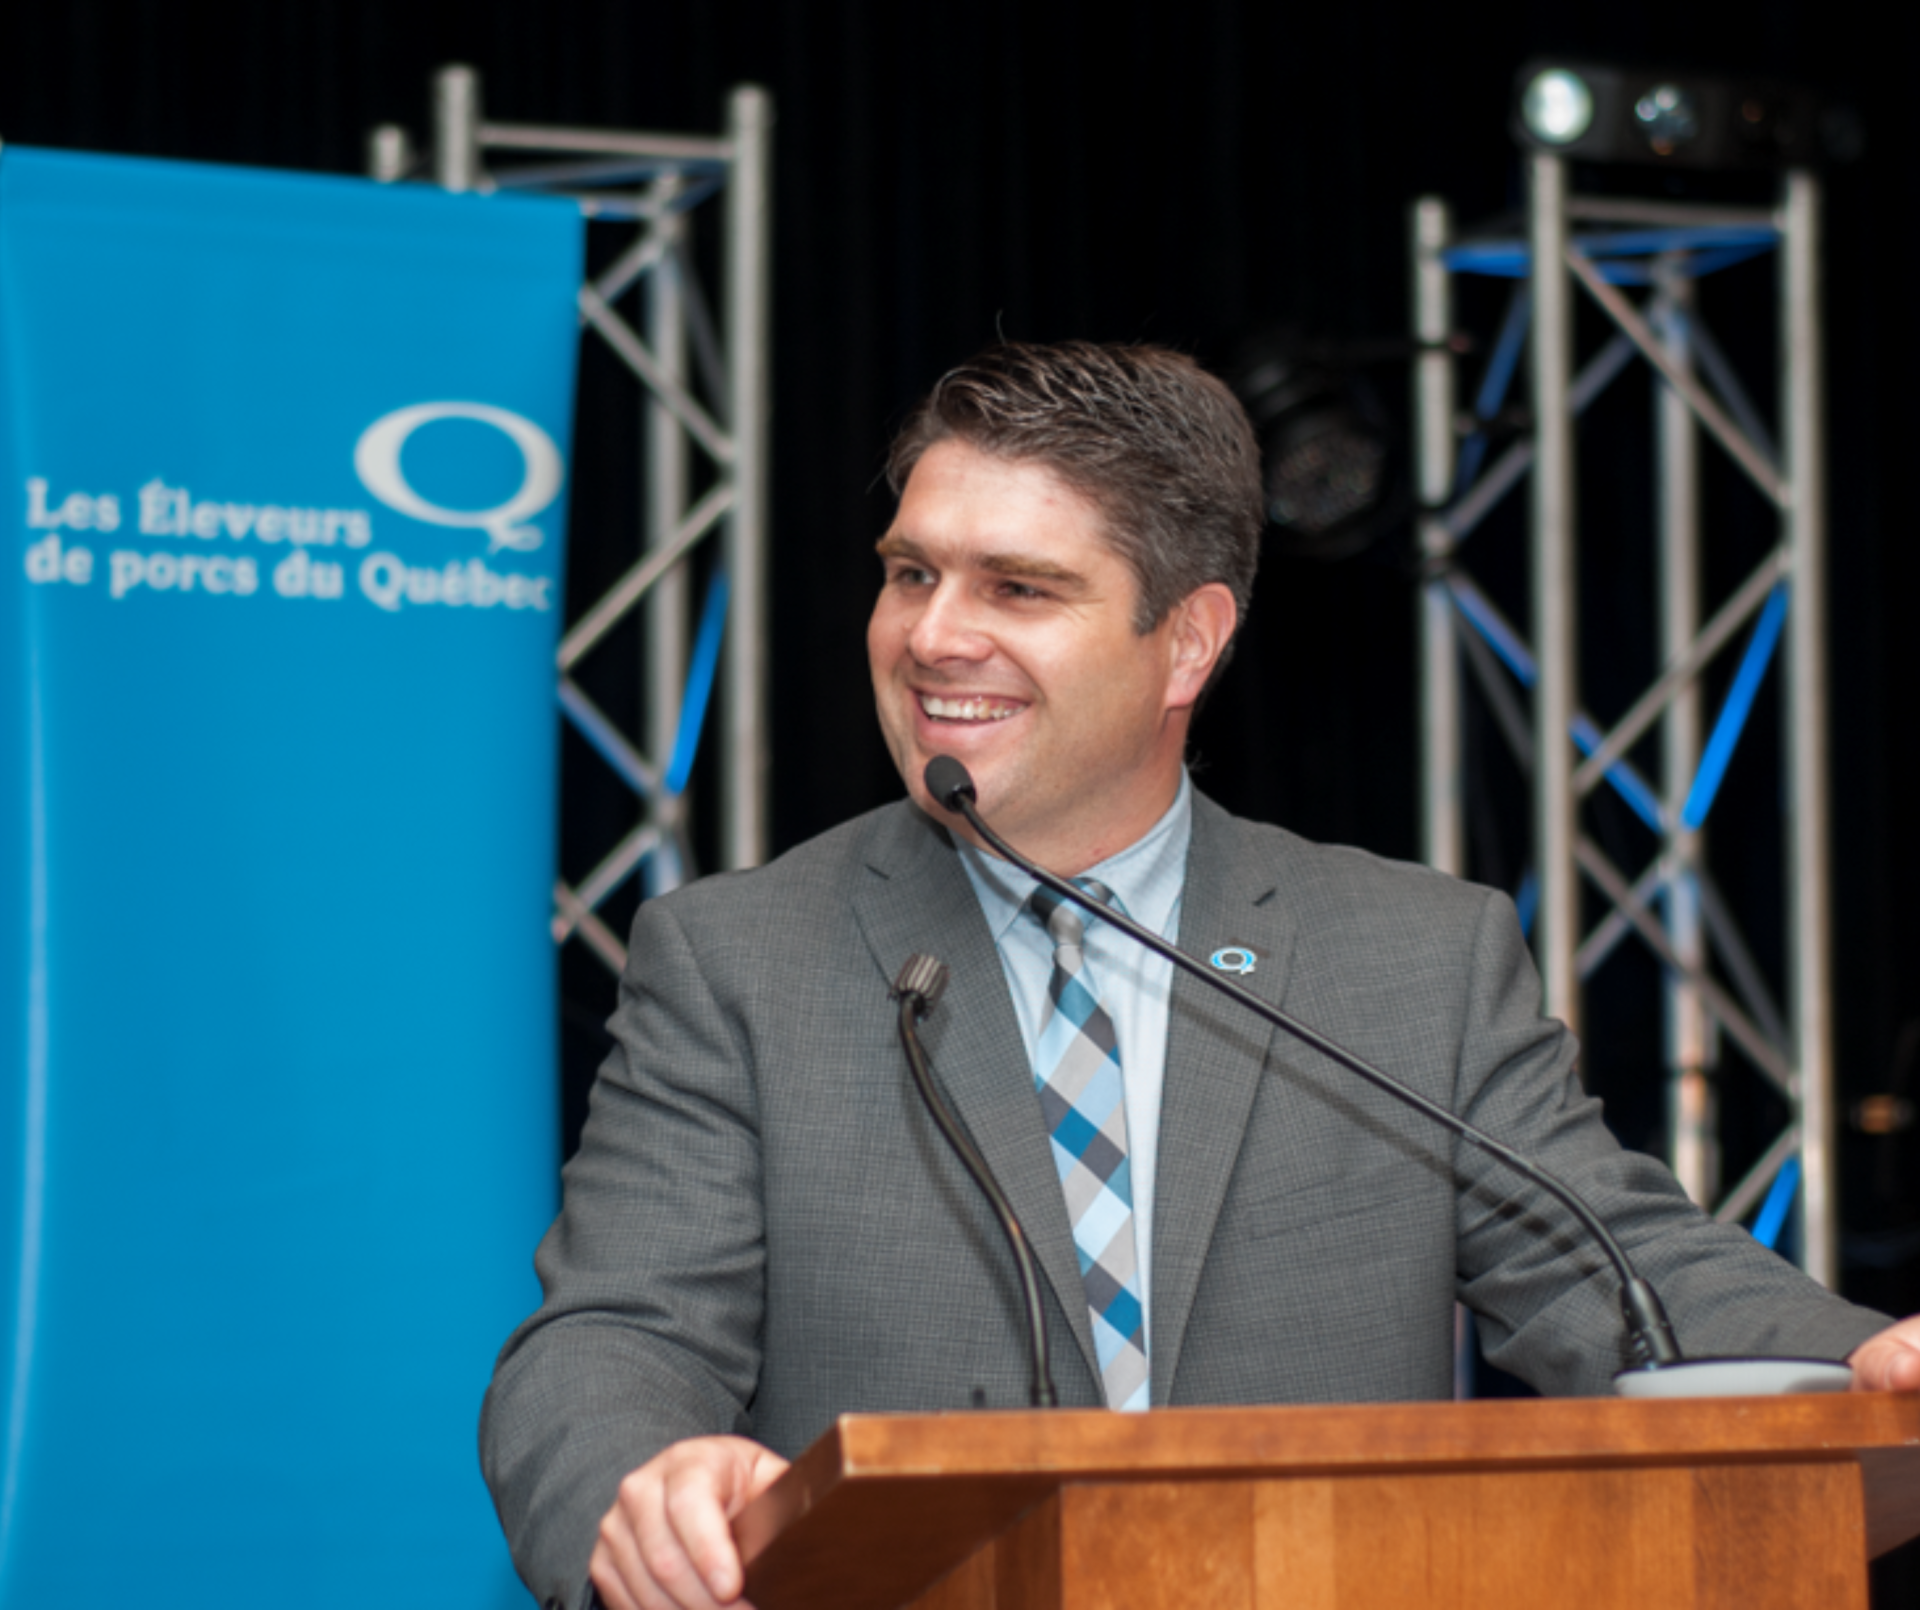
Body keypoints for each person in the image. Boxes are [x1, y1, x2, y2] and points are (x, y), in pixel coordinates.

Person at [481, 341, 1920, 1610]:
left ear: (1190, 642)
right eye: (912, 572)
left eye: (1018, 587)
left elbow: (1618, 1271)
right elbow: (607, 1341)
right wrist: (643, 1482)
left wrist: (1870, 1358)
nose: (931, 634)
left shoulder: (1412, 957)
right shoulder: (739, 958)